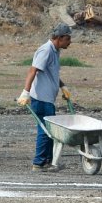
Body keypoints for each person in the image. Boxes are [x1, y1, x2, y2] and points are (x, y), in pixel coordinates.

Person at [17, 23, 73, 172]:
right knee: (46, 131)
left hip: (48, 99)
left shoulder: (55, 51)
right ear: (60, 38)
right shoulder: (46, 50)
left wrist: (62, 86)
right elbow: (32, 71)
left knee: (51, 132)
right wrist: (26, 92)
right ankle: (39, 163)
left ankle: (47, 162)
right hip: (41, 99)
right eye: (68, 38)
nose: (70, 42)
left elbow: (52, 73)